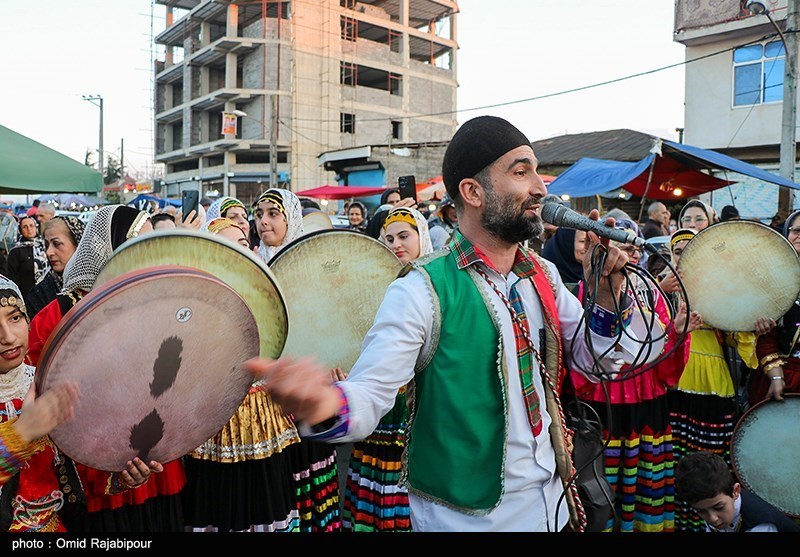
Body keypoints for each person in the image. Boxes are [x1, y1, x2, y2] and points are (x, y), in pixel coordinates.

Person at [243, 115, 666, 532]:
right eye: (521, 172)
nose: (540, 188)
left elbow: (601, 363)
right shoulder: (421, 291)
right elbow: (370, 394)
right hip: (466, 520)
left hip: (554, 503)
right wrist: (323, 404)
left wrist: (607, 296)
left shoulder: (544, 276)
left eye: (536, 172)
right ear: (473, 192)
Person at [27, 205, 185, 533]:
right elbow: (35, 401)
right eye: (138, 245)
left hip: (155, 466)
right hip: (94, 471)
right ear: (110, 248)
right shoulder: (56, 316)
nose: (149, 255)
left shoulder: (160, 304)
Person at [565, 221, 700, 532]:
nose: (630, 256)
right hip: (602, 411)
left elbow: (667, 371)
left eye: (634, 249)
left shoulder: (653, 294)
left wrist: (677, 336)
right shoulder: (583, 292)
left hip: (646, 408)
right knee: (599, 487)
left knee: (643, 484)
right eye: (623, 250)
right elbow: (580, 364)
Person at [0, 276, 155, 532]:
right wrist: (22, 433)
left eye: (15, 318)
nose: (7, 336)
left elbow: (82, 468)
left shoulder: (46, 384)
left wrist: (122, 476)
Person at [182, 215, 304, 532]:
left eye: (244, 244)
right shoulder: (196, 300)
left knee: (266, 500)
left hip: (264, 418)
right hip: (216, 421)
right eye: (228, 245)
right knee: (223, 504)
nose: (243, 250)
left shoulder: (265, 293)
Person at [251, 188, 342, 531]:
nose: (263, 221)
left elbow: (332, 324)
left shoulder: (312, 269)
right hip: (269, 398)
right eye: (259, 214)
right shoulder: (252, 267)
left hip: (305, 385)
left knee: (309, 477)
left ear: (291, 219)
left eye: (273, 213)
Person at [340, 206, 433, 532]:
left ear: (423, 237)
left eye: (404, 236)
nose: (396, 244)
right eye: (389, 238)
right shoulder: (373, 282)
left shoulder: (437, 287)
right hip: (380, 404)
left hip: (418, 404)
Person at [674, 451, 800, 532]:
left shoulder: (760, 527)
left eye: (719, 507)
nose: (712, 519)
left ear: (736, 491)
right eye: (701, 511)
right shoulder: (712, 501)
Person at [749, 209, 800, 403]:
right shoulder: (772, 281)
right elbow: (766, 338)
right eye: (796, 230)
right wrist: (776, 376)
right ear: (786, 234)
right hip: (781, 373)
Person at [26, 216, 85, 320]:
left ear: (78, 245)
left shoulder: (100, 284)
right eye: (47, 245)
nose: (49, 252)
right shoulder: (39, 295)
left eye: (57, 244)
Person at [6, 215, 49, 309]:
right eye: (25, 227)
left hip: (47, 295)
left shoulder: (45, 246)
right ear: (20, 230)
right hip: (26, 298)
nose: (29, 229)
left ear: (36, 227)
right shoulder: (16, 251)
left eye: (31, 226)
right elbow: (12, 277)